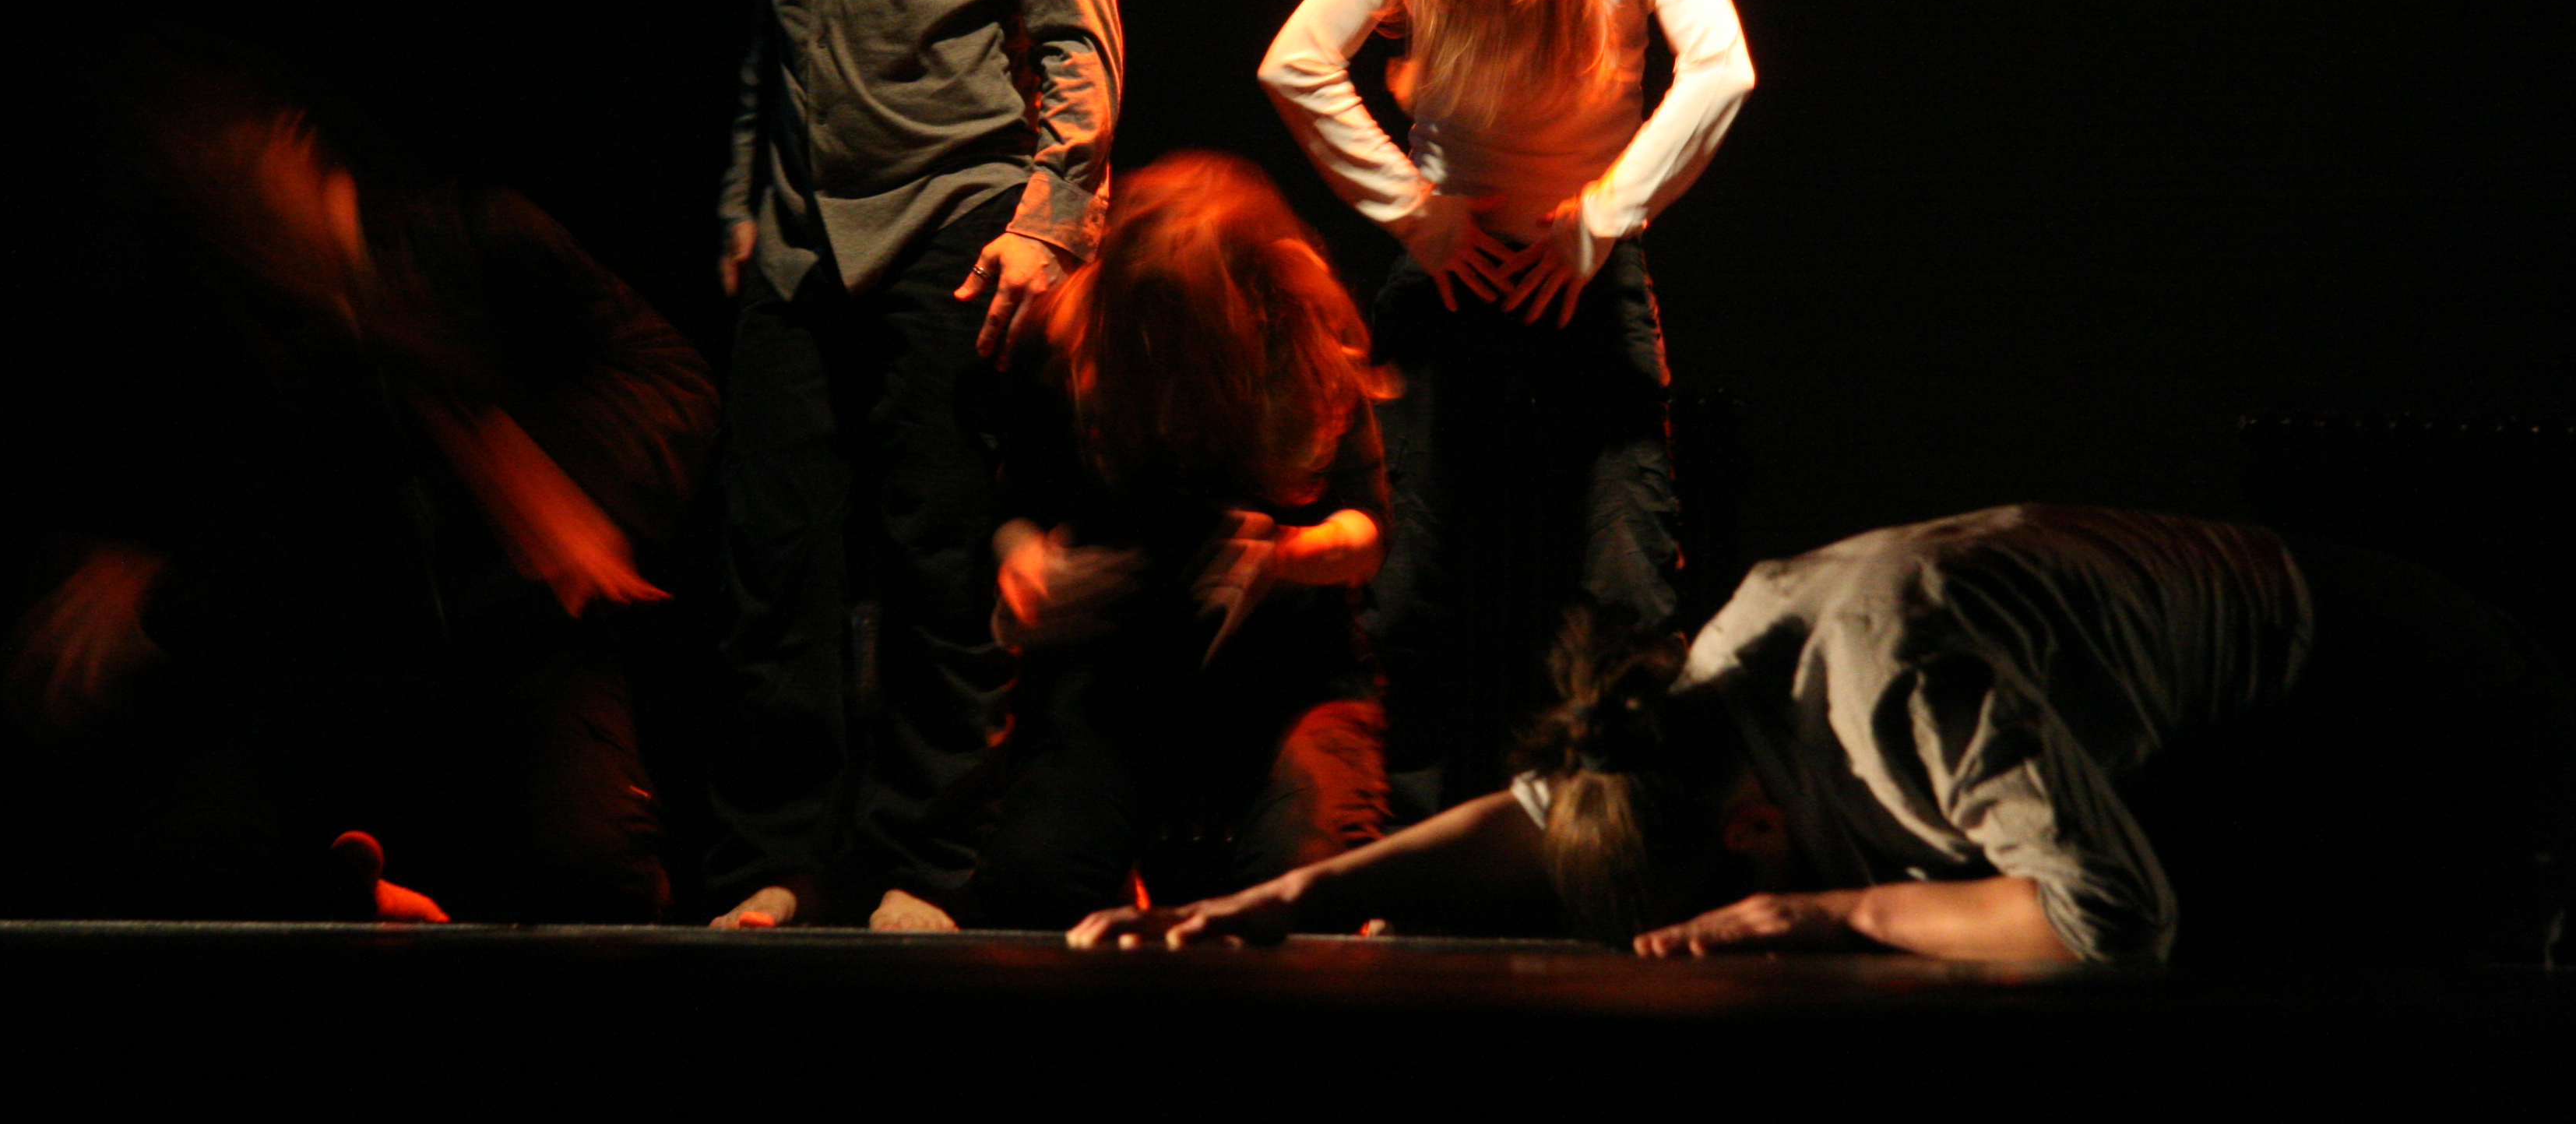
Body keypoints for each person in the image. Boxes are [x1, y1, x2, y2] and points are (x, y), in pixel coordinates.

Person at [1069, 505, 2576, 965]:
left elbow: (2110, 918)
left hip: (2407, 710)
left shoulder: (1901, 694)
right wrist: (1283, 897)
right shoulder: (1700, 692)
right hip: (2288, 720)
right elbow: (1538, 812)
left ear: (1749, 831)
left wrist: (1828, 909)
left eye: (1748, 875)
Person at [12, 74, 715, 923]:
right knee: (186, 862)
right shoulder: (259, 334)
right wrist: (152, 585)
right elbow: (263, 539)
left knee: (596, 872)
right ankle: (363, 894)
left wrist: (576, 485)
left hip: (530, 656)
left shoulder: (472, 234)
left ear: (295, 147)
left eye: (240, 195)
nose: (237, 237)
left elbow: (668, 372)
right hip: (360, 668)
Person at [709, 0, 1122, 929]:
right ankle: (775, 859)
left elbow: (1077, 38)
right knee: (775, 565)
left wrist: (1047, 225)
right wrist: (739, 204)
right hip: (800, 236)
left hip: (951, 219)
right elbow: (769, 39)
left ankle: (922, 867)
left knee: (938, 558)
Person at [1258, 0, 1753, 823]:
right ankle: (1411, 849)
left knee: (1624, 576)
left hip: (1582, 278)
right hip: (1454, 281)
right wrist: (1420, 215)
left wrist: (1599, 218)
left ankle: (1622, 843)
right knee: (1412, 584)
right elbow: (1293, 61)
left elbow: (1723, 68)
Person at [945, 153, 1392, 928]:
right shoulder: (1072, 338)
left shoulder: (1303, 345)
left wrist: (1284, 559)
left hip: (1289, 681)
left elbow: (1367, 530)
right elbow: (1016, 503)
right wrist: (1025, 561)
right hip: (1121, 673)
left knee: (1305, 891)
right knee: (1034, 882)